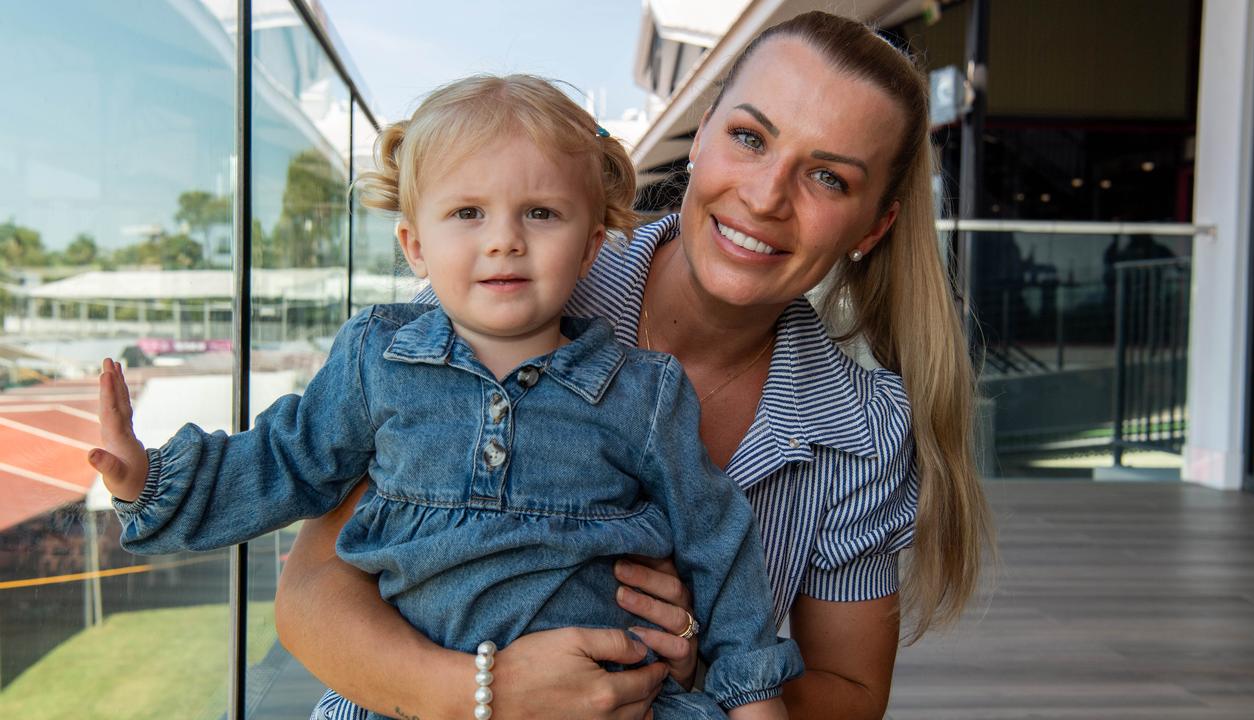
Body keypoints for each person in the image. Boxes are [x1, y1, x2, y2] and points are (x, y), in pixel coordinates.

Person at [277, 11, 993, 720]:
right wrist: (484, 696)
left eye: (829, 178)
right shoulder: (525, 281)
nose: (767, 197)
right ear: (703, 133)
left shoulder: (863, 431)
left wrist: (701, 662)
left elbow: (854, 696)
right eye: (749, 137)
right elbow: (310, 596)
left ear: (873, 225)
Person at [89, 74, 804, 720]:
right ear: (414, 245)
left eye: (541, 214)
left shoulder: (643, 393)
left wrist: (751, 696)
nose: (504, 241)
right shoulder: (378, 357)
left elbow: (719, 540)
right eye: (468, 212)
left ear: (590, 247)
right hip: (407, 705)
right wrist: (150, 479)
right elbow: (287, 459)